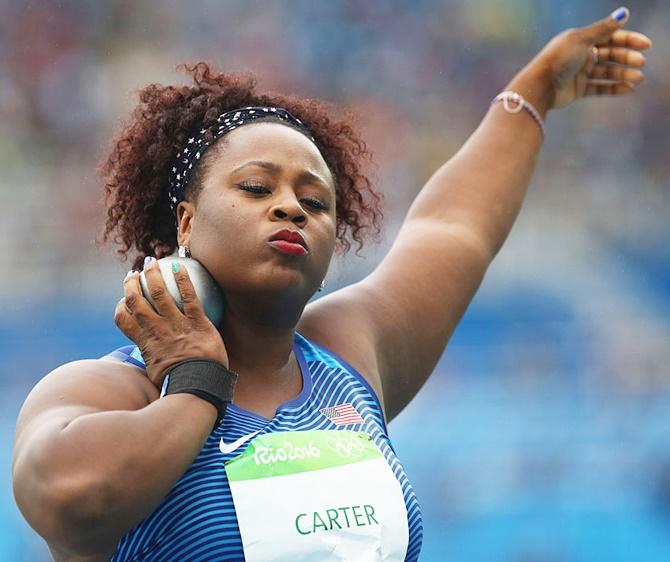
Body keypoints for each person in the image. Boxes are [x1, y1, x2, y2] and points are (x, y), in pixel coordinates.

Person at [11, 7, 651, 562]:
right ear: (185, 220)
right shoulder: (106, 390)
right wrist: (196, 382)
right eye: (257, 188)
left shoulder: (347, 354)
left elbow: (452, 229)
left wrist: (532, 92)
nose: (291, 208)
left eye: (315, 202)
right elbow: (71, 502)